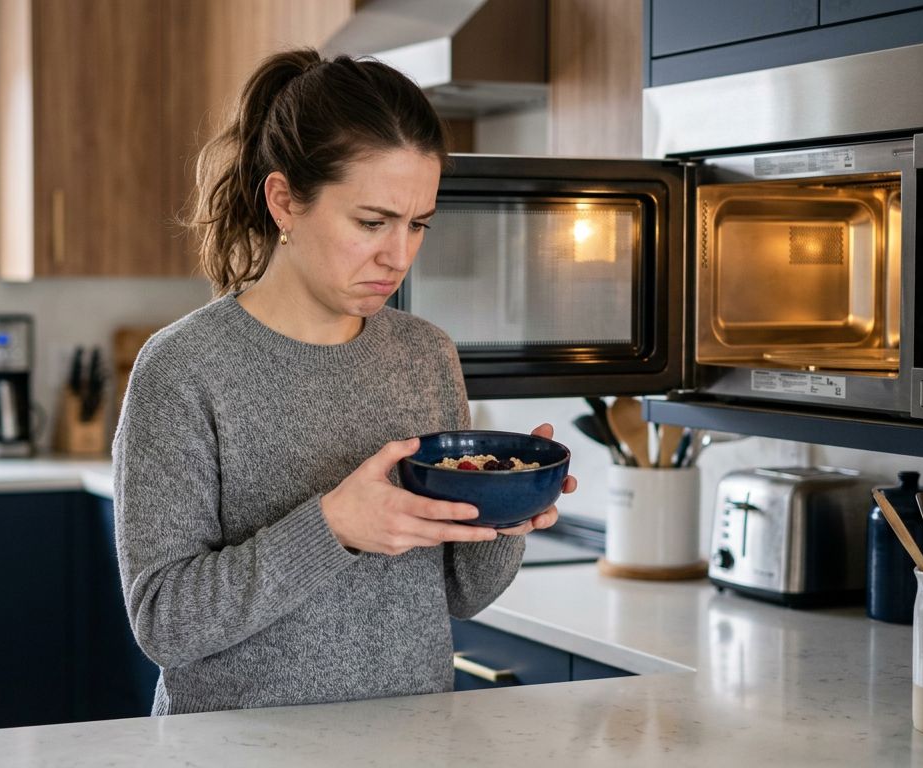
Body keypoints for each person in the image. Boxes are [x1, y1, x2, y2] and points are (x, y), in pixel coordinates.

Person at [112, 48, 577, 717]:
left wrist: (506, 515)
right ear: (285, 202)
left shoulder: (425, 355)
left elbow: (455, 595)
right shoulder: (184, 368)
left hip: (410, 742)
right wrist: (333, 526)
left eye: (418, 224)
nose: (399, 254)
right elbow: (165, 623)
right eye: (371, 222)